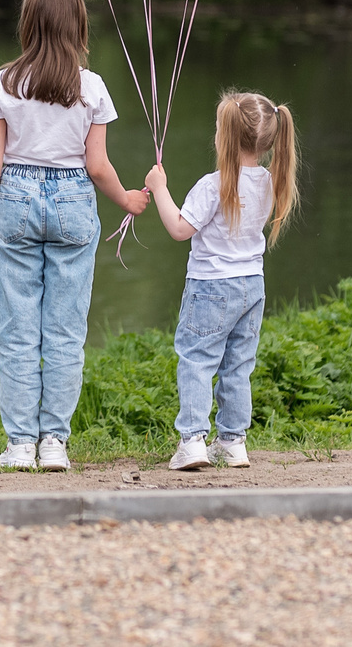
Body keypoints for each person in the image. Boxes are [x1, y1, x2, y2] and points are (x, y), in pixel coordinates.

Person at [0, 0, 151, 473]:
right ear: (78, 26)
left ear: (28, 24)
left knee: (17, 331)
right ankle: (55, 442)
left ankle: (20, 445)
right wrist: (126, 200)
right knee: (65, 332)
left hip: (15, 202)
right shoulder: (91, 87)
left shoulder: (4, 81)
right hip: (74, 203)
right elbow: (97, 166)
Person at [144, 89, 300, 471]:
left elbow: (180, 229)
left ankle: (193, 441)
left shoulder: (213, 186)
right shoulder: (269, 180)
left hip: (212, 287)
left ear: (224, 137)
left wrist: (160, 188)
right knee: (237, 366)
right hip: (252, 287)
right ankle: (232, 443)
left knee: (196, 361)